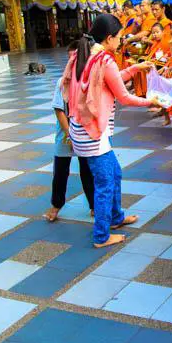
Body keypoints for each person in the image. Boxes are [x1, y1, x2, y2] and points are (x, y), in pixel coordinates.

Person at [61, 14, 157, 248]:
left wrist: (135, 68)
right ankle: (101, 236)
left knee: (114, 173)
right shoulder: (104, 60)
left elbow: (111, 81)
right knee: (104, 184)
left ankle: (115, 217)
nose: (121, 41)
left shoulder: (82, 55)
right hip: (92, 133)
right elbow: (122, 95)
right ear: (109, 38)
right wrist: (151, 101)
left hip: (83, 128)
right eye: (119, 37)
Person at [43, 42, 96, 223]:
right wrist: (69, 134)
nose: (73, 62)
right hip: (66, 134)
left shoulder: (88, 80)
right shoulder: (63, 81)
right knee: (61, 170)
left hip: (84, 132)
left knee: (87, 169)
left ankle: (94, 206)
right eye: (70, 58)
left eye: (76, 57)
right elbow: (59, 110)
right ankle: (56, 205)